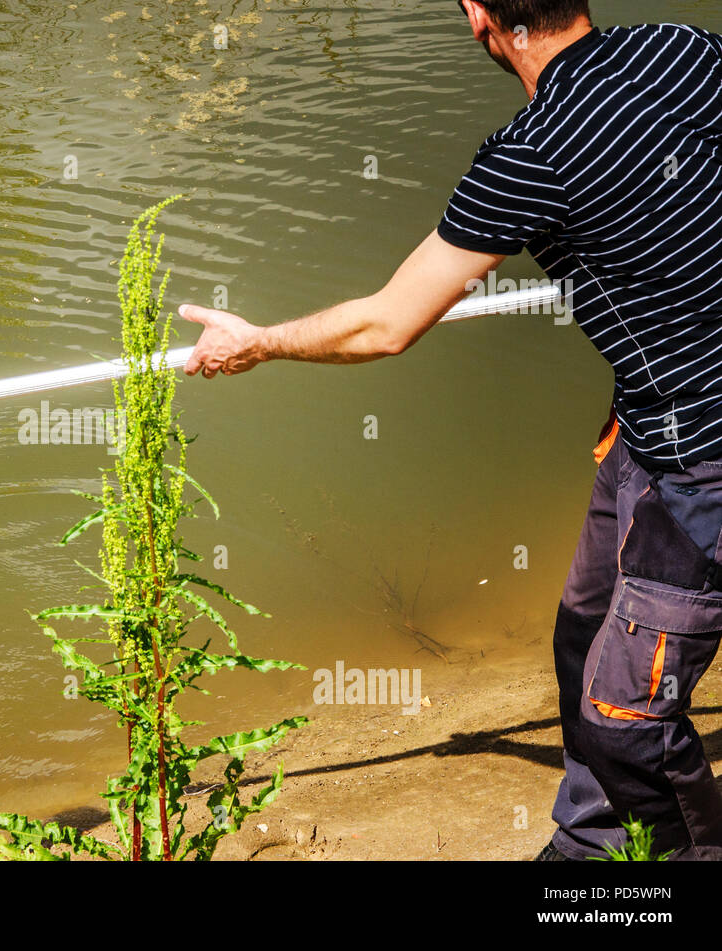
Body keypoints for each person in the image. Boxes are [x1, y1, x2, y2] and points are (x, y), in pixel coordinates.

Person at [178, 1, 722, 860]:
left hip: (701, 460)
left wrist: (260, 342)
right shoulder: (683, 50)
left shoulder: (529, 153)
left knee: (626, 715)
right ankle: (589, 839)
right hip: (646, 425)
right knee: (585, 626)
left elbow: (388, 323)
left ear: (481, 19)